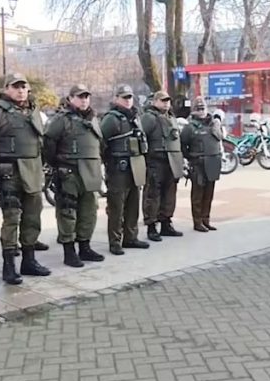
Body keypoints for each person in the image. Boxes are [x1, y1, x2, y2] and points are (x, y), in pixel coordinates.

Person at [0, 74, 53, 282]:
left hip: (33, 170)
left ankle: (29, 260)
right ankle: (9, 265)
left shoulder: (33, 110)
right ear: (6, 89)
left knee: (32, 216)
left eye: (23, 87)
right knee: (11, 218)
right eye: (15, 87)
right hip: (9, 171)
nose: (20, 91)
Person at [43, 84, 105, 267]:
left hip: (90, 172)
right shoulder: (61, 120)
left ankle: (85, 247)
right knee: (68, 212)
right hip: (69, 172)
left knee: (89, 211)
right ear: (70, 99)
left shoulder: (94, 119)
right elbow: (48, 144)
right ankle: (69, 251)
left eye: (86, 96)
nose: (84, 100)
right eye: (80, 97)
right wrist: (57, 164)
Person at [101, 84, 151, 255]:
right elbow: (101, 142)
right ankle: (115, 241)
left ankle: (131, 237)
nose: (128, 100)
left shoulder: (135, 117)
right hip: (118, 168)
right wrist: (107, 164)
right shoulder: (111, 119)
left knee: (133, 204)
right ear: (116, 98)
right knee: (116, 207)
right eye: (124, 97)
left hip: (135, 166)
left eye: (130, 97)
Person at [141, 91, 185, 239]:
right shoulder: (148, 117)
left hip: (171, 161)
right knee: (152, 195)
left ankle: (166, 223)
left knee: (169, 195)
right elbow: (141, 137)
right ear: (155, 101)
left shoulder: (171, 117)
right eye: (162, 100)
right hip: (155, 161)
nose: (166, 103)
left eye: (168, 100)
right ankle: (151, 226)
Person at [181, 97, 223, 231]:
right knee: (198, 195)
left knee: (209, 193)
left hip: (213, 162)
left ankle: (206, 219)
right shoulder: (189, 126)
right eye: (198, 109)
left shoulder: (214, 123)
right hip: (198, 163)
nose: (201, 111)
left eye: (203, 108)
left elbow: (221, 138)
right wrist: (190, 158)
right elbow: (182, 145)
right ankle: (197, 222)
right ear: (194, 110)